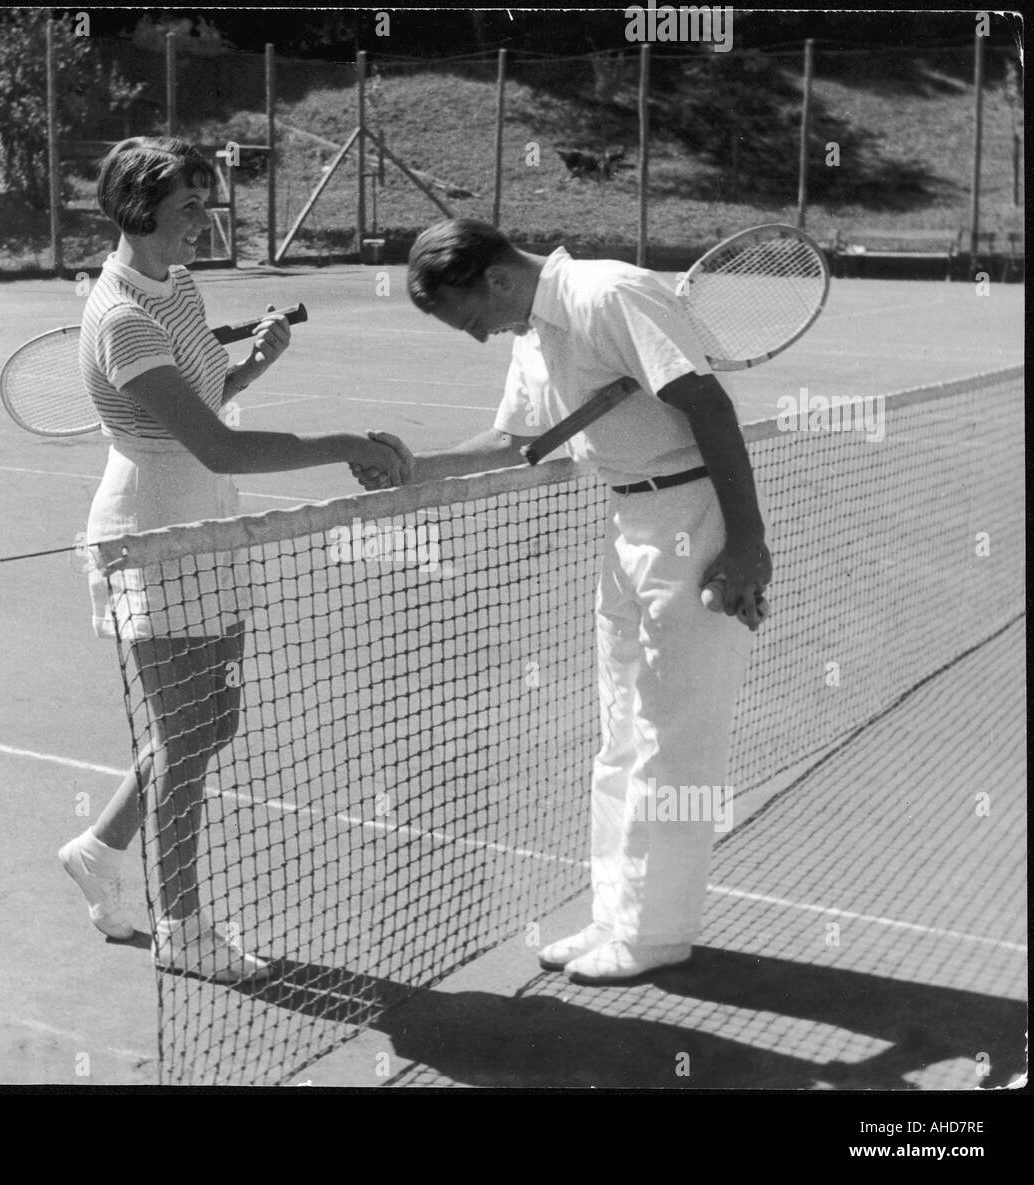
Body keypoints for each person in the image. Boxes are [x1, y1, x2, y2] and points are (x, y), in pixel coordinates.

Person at [355, 218, 770, 983]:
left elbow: (708, 407)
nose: (481, 336)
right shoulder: (533, 328)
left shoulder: (607, 294)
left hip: (695, 518)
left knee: (675, 737)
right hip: (629, 520)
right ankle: (616, 914)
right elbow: (521, 443)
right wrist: (417, 470)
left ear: (499, 279)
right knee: (621, 732)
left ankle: (655, 932)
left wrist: (745, 544)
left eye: (475, 319)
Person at [58, 137, 410, 983]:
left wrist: (254, 360)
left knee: (209, 724)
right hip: (157, 531)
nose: (205, 221)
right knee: (186, 736)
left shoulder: (176, 287)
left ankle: (100, 849)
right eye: (188, 207)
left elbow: (207, 398)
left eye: (208, 202)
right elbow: (214, 445)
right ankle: (181, 925)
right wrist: (346, 444)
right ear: (137, 210)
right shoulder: (122, 320)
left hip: (207, 520)